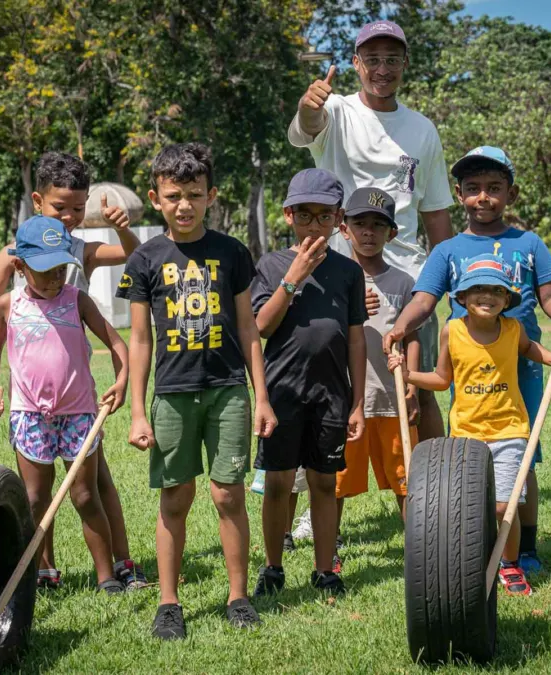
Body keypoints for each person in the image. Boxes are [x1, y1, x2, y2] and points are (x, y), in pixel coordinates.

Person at [0, 151, 147, 590]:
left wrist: (121, 228)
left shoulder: (81, 250)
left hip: (77, 396)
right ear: (38, 201)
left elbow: (137, 258)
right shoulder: (14, 255)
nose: (70, 217)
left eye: (79, 207)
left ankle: (120, 565)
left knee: (94, 488)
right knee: (38, 493)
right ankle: (43, 569)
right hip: (34, 400)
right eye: (60, 207)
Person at [384, 146, 551, 577]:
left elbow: (549, 293)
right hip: (469, 369)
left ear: (511, 193)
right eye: (473, 189)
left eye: (494, 188)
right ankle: (476, 542)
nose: (483, 197)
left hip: (521, 366)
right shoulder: (448, 250)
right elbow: (424, 300)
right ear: (459, 195)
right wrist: (399, 328)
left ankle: (525, 548)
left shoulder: (528, 243)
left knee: (522, 457)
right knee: (472, 461)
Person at [117, 143, 277, 639]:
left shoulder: (232, 253)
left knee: (228, 495)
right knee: (175, 497)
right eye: (173, 196)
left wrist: (262, 397)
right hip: (172, 395)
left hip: (228, 390)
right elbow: (139, 340)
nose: (184, 205)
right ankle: (169, 603)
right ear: (155, 198)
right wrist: (137, 412)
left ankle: (238, 597)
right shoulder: (144, 259)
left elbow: (249, 329)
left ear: (211, 195)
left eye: (194, 195)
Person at [288, 20, 454, 445]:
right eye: (373, 59)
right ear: (356, 63)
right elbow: (308, 126)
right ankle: (322, 485)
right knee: (329, 385)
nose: (382, 69)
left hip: (409, 281)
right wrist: (309, 105)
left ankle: (431, 481)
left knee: (418, 388)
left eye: (392, 59)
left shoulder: (423, 129)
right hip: (338, 276)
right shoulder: (337, 110)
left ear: (405, 63)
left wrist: (451, 280)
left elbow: (435, 212)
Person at [389, 254, 551, 595]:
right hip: (465, 434)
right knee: (468, 508)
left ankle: (509, 564)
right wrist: (407, 374)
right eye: (478, 289)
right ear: (462, 297)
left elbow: (529, 348)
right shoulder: (452, 331)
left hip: (509, 429)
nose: (487, 296)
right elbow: (442, 379)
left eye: (497, 290)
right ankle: (472, 561)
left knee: (504, 505)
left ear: (507, 299)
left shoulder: (513, 329)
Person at [0, 216, 130, 593]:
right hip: (30, 416)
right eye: (45, 270)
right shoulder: (8, 305)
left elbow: (117, 343)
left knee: (85, 495)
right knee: (34, 499)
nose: (55, 278)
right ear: (19, 266)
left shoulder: (77, 300)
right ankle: (42, 572)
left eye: (61, 268)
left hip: (78, 415)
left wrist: (122, 379)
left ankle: (106, 576)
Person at [251, 169, 367, 598]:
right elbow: (261, 326)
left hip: (331, 394)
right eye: (305, 215)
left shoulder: (348, 272)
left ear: (338, 219)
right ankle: (273, 567)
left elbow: (356, 338)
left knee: (323, 482)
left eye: (324, 216)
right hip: (282, 391)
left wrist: (357, 402)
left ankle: (324, 570)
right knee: (278, 483)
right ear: (288, 215)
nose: (314, 225)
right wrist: (293, 276)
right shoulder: (270, 265)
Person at [333, 187, 419, 573]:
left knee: (406, 476)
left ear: (392, 233)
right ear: (344, 228)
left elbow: (413, 337)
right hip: (347, 400)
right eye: (360, 224)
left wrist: (412, 387)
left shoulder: (403, 283)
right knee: (336, 479)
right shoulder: (335, 278)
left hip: (391, 396)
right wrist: (350, 310)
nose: (368, 232)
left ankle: (418, 544)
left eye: (378, 225)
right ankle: (329, 546)